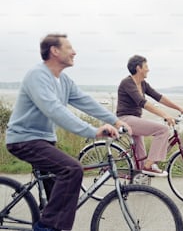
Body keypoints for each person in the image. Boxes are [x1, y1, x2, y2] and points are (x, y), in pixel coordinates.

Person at [5, 34, 131, 231]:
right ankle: (45, 228)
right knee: (72, 170)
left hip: (44, 141)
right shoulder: (37, 75)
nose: (74, 52)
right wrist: (92, 131)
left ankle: (48, 221)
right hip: (24, 140)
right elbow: (54, 109)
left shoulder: (63, 80)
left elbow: (85, 101)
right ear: (54, 51)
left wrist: (114, 120)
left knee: (56, 194)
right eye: (69, 48)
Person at [116, 55, 183, 177]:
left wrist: (179, 108)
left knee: (141, 159)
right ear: (139, 68)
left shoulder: (143, 84)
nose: (148, 69)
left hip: (135, 120)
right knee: (163, 130)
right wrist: (165, 115)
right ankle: (149, 166)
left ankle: (138, 180)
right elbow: (142, 102)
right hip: (125, 120)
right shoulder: (127, 83)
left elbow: (159, 97)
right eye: (146, 66)